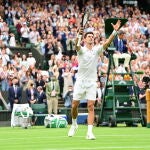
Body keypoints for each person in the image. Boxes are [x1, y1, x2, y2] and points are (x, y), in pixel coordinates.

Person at [68, 20, 122, 140]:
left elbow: (107, 43)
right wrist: (78, 34)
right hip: (80, 82)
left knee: (91, 106)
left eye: (92, 36)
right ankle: (74, 124)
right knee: (74, 106)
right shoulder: (81, 50)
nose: (91, 38)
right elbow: (76, 45)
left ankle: (89, 132)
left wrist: (114, 31)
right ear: (85, 39)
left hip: (92, 82)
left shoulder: (97, 50)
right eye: (88, 36)